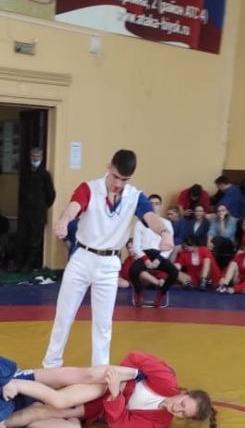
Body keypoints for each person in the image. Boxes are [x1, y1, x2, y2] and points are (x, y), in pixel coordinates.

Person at [42, 149, 167, 367]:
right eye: (115, 176)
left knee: (103, 323)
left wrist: (164, 233)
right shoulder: (89, 188)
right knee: (64, 316)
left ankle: (100, 369)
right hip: (82, 258)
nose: (118, 183)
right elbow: (74, 206)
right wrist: (64, 220)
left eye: (124, 179)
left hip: (109, 264)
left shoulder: (135, 196)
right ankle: (51, 365)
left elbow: (150, 217)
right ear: (109, 167)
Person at [4, 350, 217, 428]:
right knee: (62, 397)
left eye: (182, 414)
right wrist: (123, 382)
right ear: (184, 393)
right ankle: (19, 381)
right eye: (182, 404)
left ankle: (0, 422)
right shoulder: (166, 380)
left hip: (99, 405)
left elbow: (121, 423)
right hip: (108, 381)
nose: (177, 409)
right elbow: (135, 357)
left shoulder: (161, 421)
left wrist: (116, 396)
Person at [128, 194, 177, 307]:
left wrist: (159, 259)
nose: (154, 206)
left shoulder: (167, 223)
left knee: (174, 272)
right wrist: (145, 260)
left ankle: (161, 294)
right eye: (151, 204)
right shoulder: (139, 224)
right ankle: (139, 293)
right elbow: (136, 246)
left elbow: (170, 245)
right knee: (133, 271)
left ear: (160, 206)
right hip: (144, 254)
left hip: (159, 255)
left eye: (157, 204)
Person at [15, 146, 56, 272]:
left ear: (42, 157)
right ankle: (19, 263)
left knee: (35, 240)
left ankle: (31, 264)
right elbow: (21, 191)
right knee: (22, 237)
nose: (35, 159)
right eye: (33, 156)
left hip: (38, 213)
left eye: (37, 156)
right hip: (25, 212)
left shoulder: (45, 174)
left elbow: (51, 194)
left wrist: (42, 206)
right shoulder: (25, 172)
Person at [207, 203, 238, 269]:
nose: (221, 213)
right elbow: (211, 232)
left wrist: (222, 221)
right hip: (216, 244)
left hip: (229, 244)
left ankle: (212, 265)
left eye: (223, 210)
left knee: (217, 239)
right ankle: (212, 264)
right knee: (213, 241)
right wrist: (209, 242)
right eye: (219, 211)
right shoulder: (214, 220)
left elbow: (225, 235)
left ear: (227, 211)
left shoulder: (232, 220)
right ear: (217, 213)